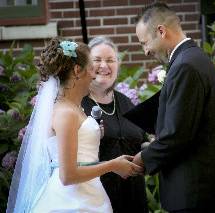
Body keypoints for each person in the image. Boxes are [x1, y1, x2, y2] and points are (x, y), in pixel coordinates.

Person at [6, 38, 143, 213]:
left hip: (89, 193)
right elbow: (68, 175)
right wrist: (113, 165)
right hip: (71, 201)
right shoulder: (66, 113)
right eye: (91, 69)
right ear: (78, 70)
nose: (94, 75)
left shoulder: (73, 108)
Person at [132, 2, 215, 213]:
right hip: (202, 192)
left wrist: (144, 158)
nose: (145, 51)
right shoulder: (194, 59)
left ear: (161, 31)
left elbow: (178, 135)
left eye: (144, 43)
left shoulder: (185, 66)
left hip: (196, 195)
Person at [81, 36, 148, 213]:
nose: (104, 65)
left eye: (110, 60)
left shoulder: (126, 103)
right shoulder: (77, 105)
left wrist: (156, 146)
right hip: (95, 200)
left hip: (134, 199)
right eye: (97, 60)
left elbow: (143, 141)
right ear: (86, 65)